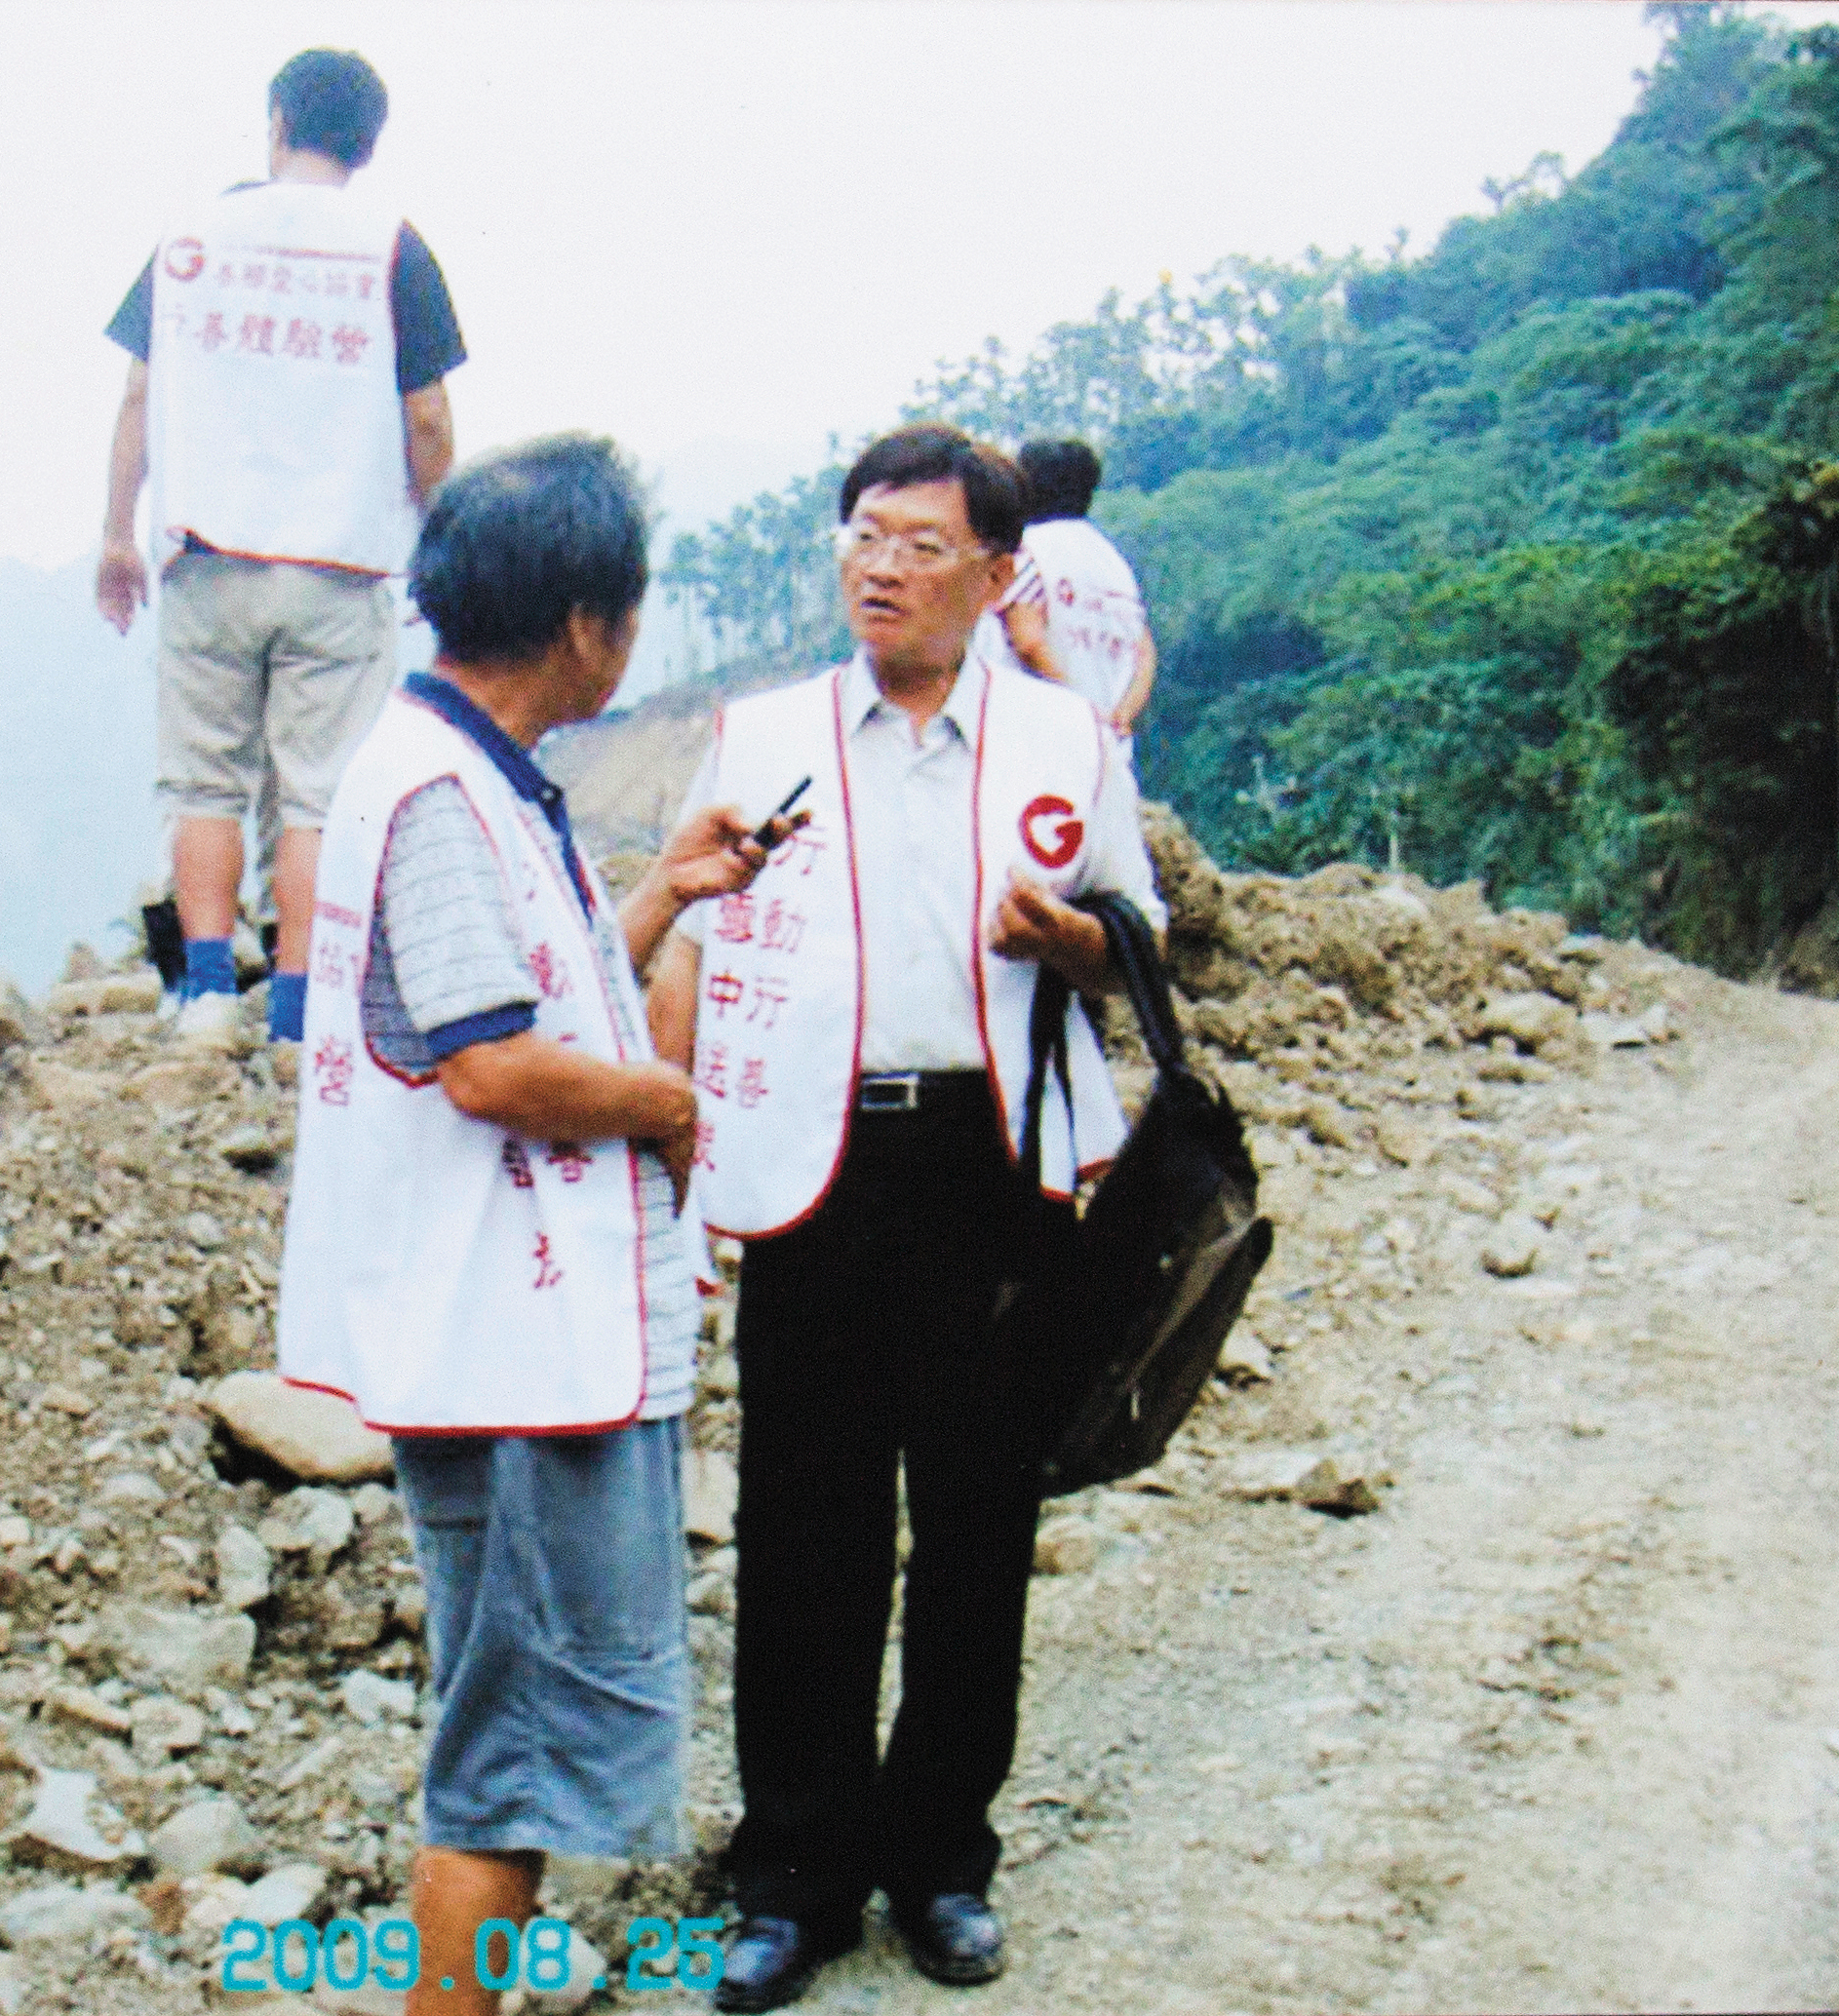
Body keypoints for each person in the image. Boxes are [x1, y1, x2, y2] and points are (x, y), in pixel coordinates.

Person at [647, 425, 1164, 2006]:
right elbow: (688, 935)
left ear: (998, 575)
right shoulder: (764, 734)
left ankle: (942, 1858)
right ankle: (792, 1873)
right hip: (814, 1164)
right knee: (805, 1524)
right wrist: (683, 1151)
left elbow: (1139, 936)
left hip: (993, 1168)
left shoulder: (1066, 741)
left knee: (975, 1520)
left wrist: (1069, 940)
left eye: (920, 543)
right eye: (862, 535)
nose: (880, 567)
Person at [276, 436, 780, 2016]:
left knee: (516, 1731)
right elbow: (491, 1065)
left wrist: (661, 895)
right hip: (511, 1353)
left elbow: (511, 996)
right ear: (582, 623)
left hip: (514, 1337)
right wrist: (667, 1105)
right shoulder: (442, 794)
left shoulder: (463, 770)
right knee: (504, 1756)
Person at [95, 48, 467, 1049]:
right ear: (368, 145)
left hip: (208, 551)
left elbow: (138, 392)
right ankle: (300, 1010)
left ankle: (209, 994)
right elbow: (427, 416)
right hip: (338, 563)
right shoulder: (391, 248)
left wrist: (117, 533)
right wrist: (443, 539)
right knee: (318, 793)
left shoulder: (191, 237)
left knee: (203, 779)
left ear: (277, 124)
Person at [991, 438, 1157, 756]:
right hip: (1112, 751)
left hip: (1039, 744)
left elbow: (1028, 642)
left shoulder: (1026, 552)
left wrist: (1083, 710)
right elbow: (1144, 654)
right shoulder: (1114, 563)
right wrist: (1121, 715)